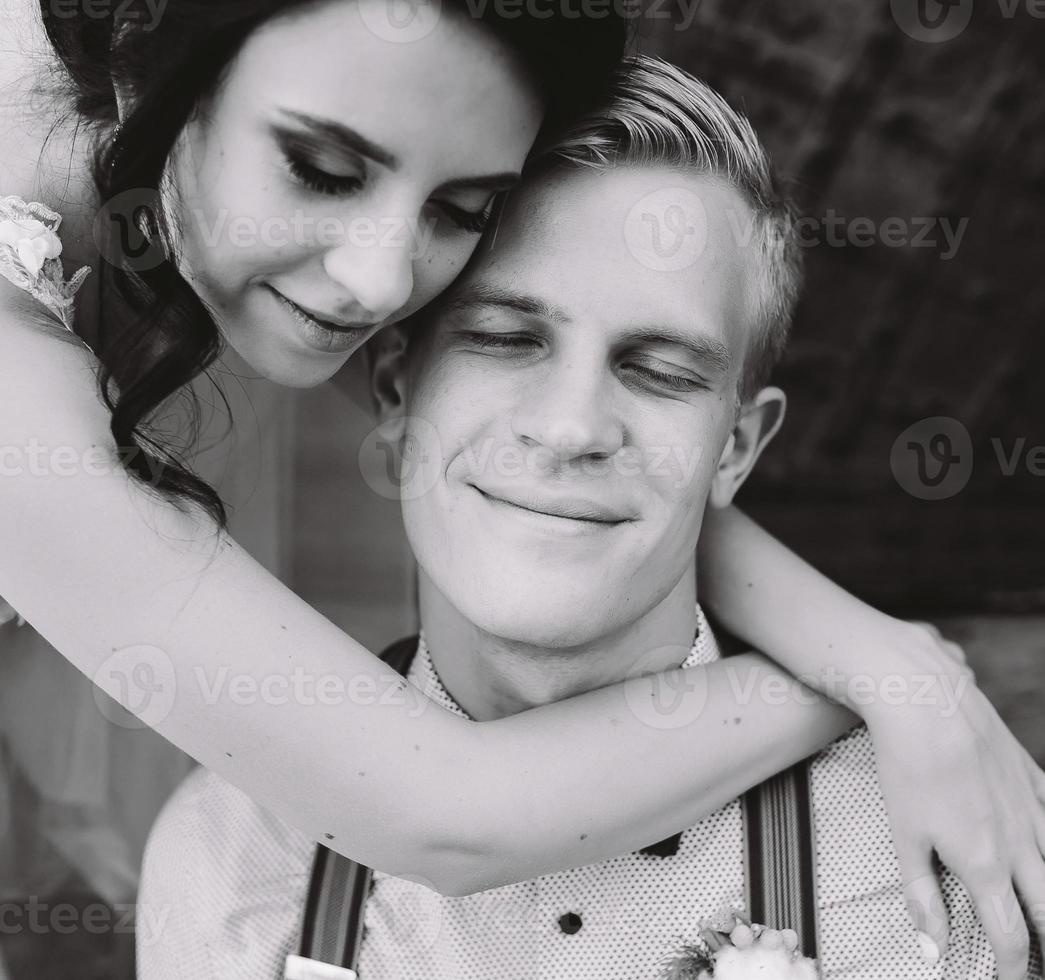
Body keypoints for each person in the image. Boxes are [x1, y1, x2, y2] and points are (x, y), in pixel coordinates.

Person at [0, 1, 1041, 972]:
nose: (381, 280)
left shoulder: (919, 893)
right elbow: (441, 808)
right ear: (145, 71)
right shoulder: (230, 868)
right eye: (319, 168)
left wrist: (887, 660)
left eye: (462, 206)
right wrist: (877, 685)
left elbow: (575, 464)